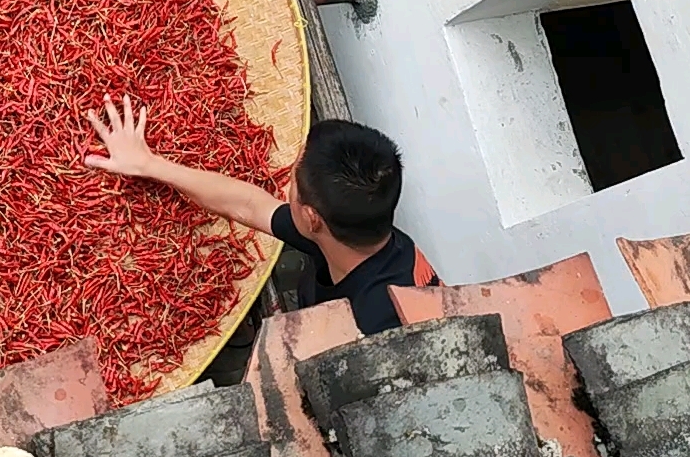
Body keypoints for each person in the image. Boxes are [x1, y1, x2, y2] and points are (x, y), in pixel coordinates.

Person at [83, 95, 439, 334]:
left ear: (312, 218)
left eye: (293, 185)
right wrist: (149, 165)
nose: (286, 186)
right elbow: (250, 205)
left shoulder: (376, 321)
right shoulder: (355, 233)